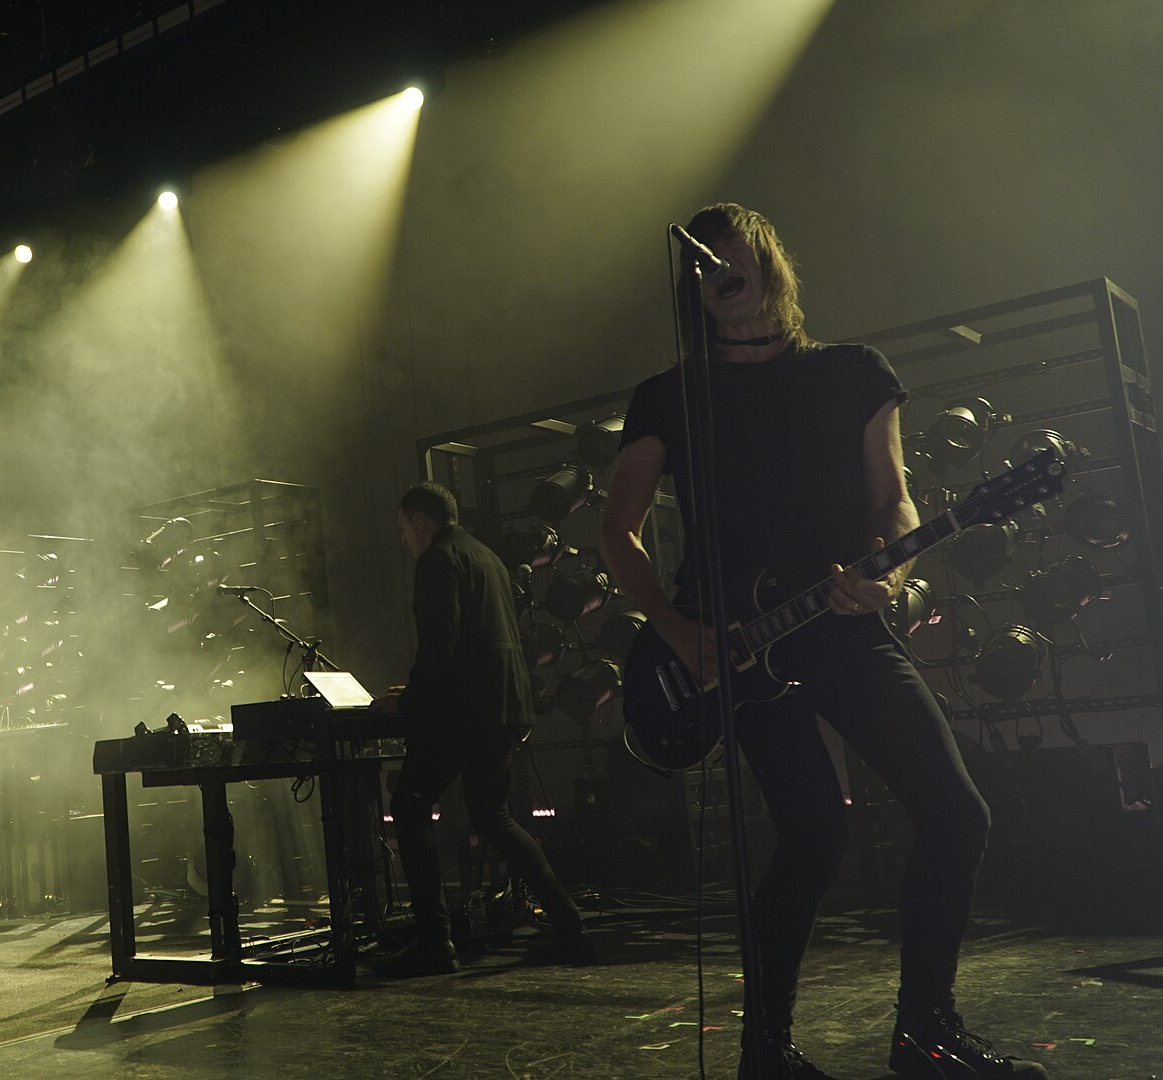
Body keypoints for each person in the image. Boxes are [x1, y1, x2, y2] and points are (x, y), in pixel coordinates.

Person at [598, 203, 1046, 1079]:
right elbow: (621, 531)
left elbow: (897, 503)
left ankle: (926, 1032)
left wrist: (894, 576)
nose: (719, 266)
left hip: (842, 625)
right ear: (691, 286)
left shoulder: (853, 374)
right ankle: (764, 1051)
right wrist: (676, 627)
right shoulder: (669, 396)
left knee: (956, 813)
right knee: (810, 836)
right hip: (728, 648)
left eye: (733, 250)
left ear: (766, 261)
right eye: (701, 259)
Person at [371, 481, 594, 978]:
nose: (405, 540)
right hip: (503, 707)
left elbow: (440, 648)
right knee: (492, 817)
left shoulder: (438, 561)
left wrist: (405, 703)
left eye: (404, 529)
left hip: (467, 712)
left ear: (420, 521)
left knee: (408, 802)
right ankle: (569, 925)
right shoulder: (485, 556)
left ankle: (434, 941)